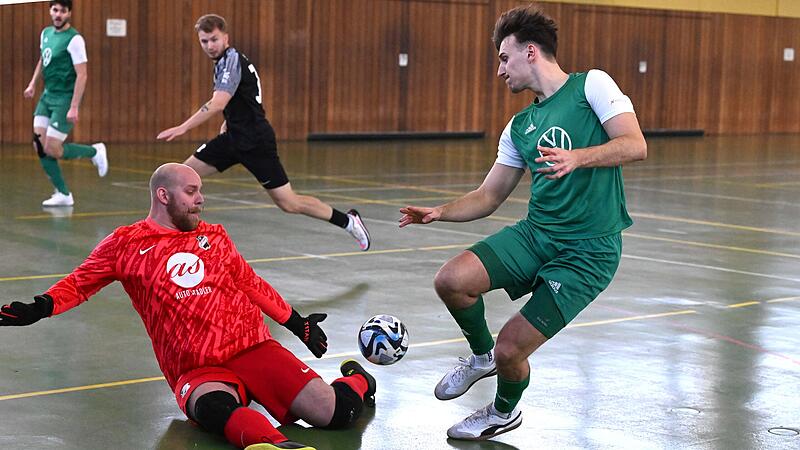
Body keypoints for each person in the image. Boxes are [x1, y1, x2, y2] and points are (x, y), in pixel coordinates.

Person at [0, 163, 377, 450]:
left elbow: (250, 284)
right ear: (164, 196)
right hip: (195, 367)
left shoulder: (214, 237)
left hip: (252, 347)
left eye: (200, 191)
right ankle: (276, 446)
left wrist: (297, 324)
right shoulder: (126, 243)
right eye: (192, 191)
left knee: (335, 413)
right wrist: (38, 308)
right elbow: (80, 283)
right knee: (213, 408)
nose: (200, 199)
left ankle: (359, 379)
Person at [399, 4, 647, 441]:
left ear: (530, 52)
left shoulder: (591, 85)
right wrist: (440, 212)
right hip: (536, 236)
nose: (500, 70)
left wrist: (580, 158)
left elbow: (634, 144)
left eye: (503, 57)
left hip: (588, 253)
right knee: (451, 280)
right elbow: (489, 197)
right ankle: (480, 359)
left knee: (512, 348)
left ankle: (502, 411)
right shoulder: (519, 126)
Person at [156, 14, 370, 251]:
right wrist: (229, 122)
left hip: (256, 142)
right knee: (180, 177)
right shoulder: (224, 63)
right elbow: (246, 97)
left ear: (225, 37)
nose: (209, 46)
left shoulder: (231, 60)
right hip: (233, 139)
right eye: (204, 41)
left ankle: (348, 222)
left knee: (289, 203)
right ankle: (167, 239)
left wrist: (183, 127)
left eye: (213, 39)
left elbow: (217, 103)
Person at [24, 0, 108, 207]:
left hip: (64, 99)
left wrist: (74, 106)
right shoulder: (45, 34)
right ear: (50, 11)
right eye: (55, 10)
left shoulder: (75, 40)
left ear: (69, 13)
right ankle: (63, 194)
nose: (58, 14)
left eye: (63, 10)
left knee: (52, 148)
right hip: (47, 96)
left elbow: (82, 74)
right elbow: (43, 59)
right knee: (39, 144)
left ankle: (94, 152)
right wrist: (33, 83)